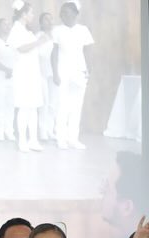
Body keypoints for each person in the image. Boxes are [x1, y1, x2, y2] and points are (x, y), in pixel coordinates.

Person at [50, 1, 93, 149]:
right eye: (63, 13)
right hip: (63, 71)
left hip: (79, 71)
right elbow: (54, 53)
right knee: (62, 106)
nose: (66, 16)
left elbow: (87, 51)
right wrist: (55, 72)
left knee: (76, 106)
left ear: (76, 14)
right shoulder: (57, 30)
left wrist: (89, 69)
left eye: (69, 13)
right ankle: (60, 138)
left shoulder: (83, 30)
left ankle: (73, 139)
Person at [7, 2, 48, 152]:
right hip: (23, 74)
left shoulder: (26, 31)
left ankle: (33, 140)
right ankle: (22, 141)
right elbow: (21, 48)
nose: (32, 16)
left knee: (33, 108)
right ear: (23, 14)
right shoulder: (16, 30)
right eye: (30, 13)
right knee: (24, 108)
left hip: (32, 73)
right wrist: (38, 42)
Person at [0, 18, 16, 143]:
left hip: (12, 76)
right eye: (4, 24)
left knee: (10, 104)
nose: (7, 26)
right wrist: (6, 69)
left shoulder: (14, 41)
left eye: (8, 24)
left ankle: (9, 130)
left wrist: (11, 70)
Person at [37, 11, 57, 141]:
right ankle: (42, 131)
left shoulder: (57, 35)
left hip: (54, 73)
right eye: (46, 19)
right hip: (42, 73)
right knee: (44, 103)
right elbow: (39, 55)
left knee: (53, 103)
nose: (49, 21)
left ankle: (50, 130)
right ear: (41, 23)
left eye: (51, 19)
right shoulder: (39, 36)